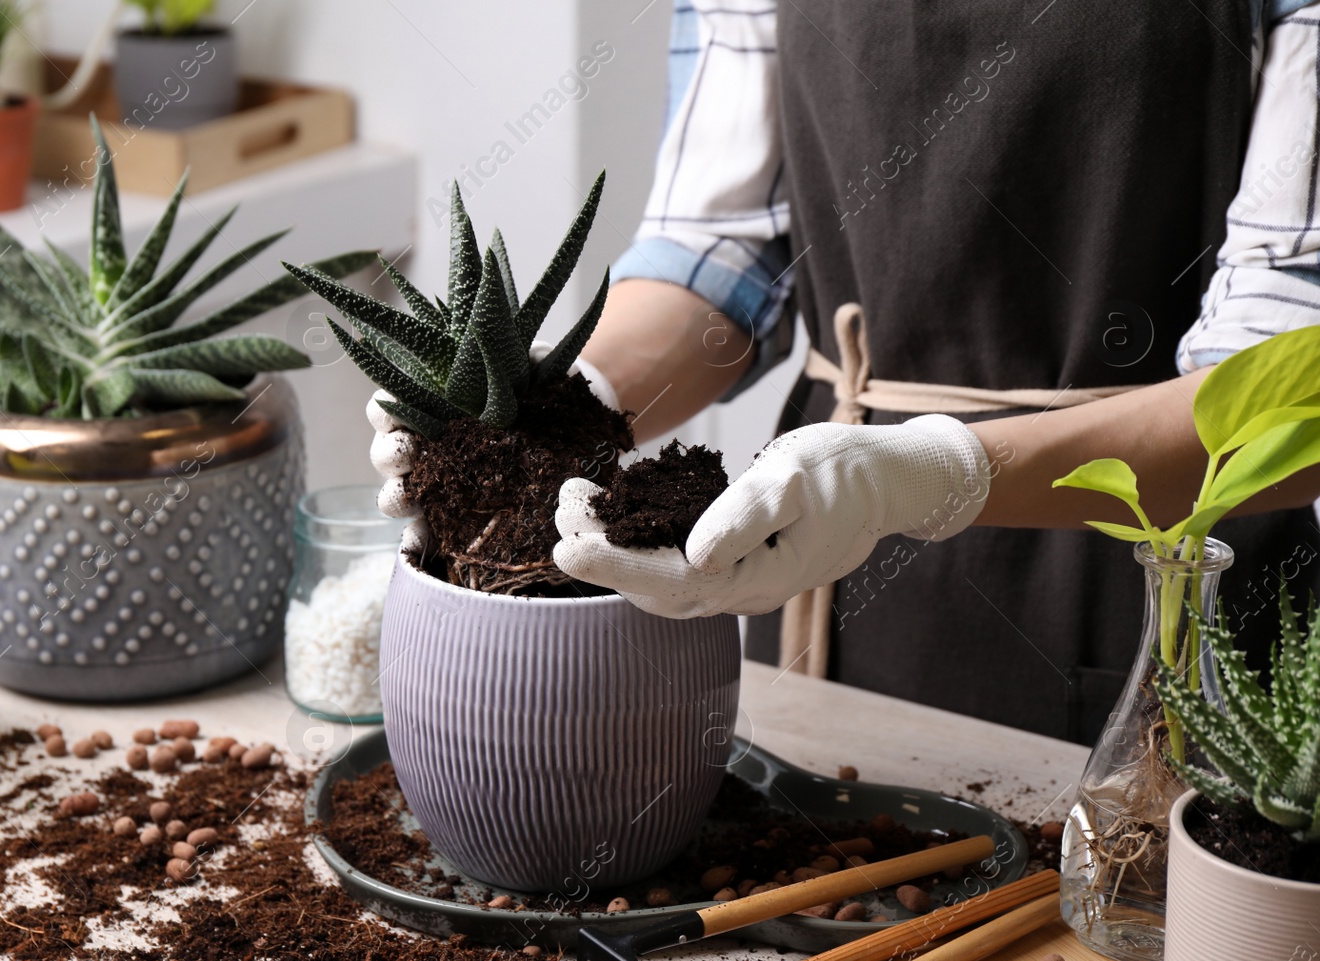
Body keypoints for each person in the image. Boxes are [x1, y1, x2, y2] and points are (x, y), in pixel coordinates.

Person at [380, 0, 1320, 743]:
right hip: (831, 594)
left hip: (1167, 580)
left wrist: (922, 474)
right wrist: (548, 410)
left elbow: (1284, 397)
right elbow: (721, 254)